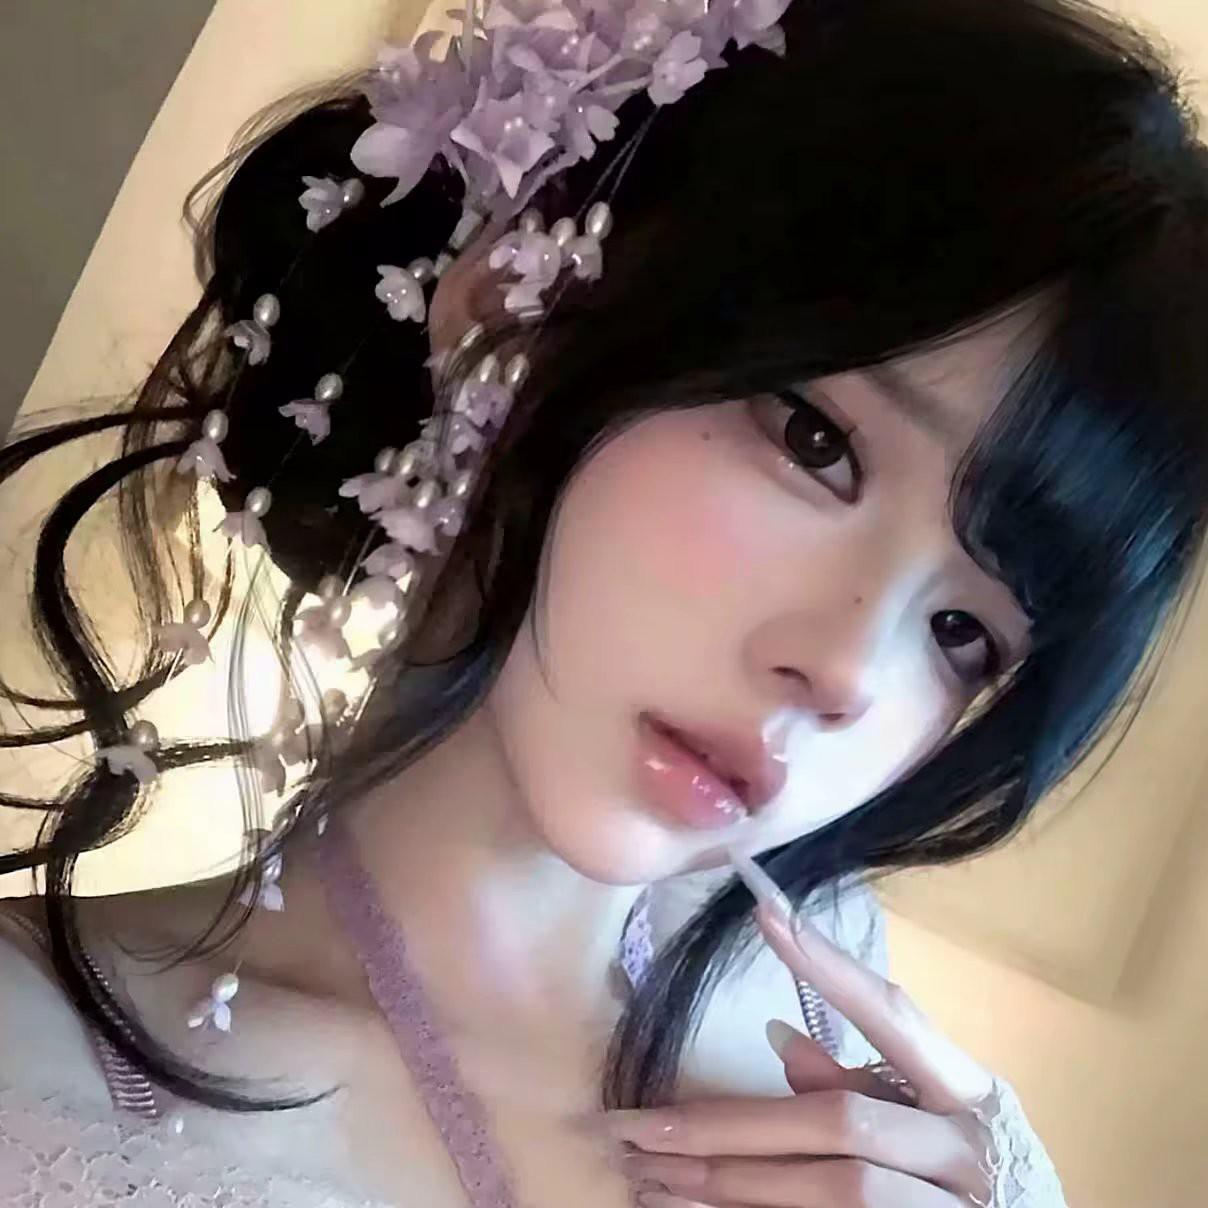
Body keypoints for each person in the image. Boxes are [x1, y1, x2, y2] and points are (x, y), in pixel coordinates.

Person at [2, 0, 1207, 1203]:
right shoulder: (39, 1079)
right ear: (516, 306)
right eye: (817, 442)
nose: (849, 673)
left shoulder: (831, 1039)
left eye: (962, 634)